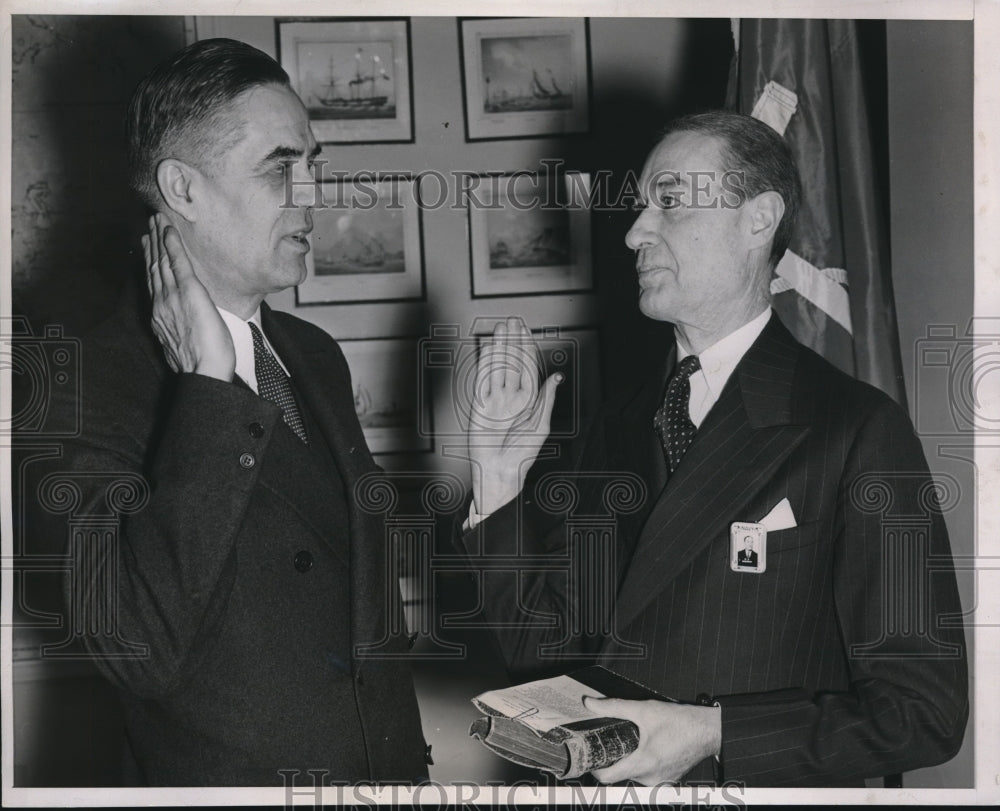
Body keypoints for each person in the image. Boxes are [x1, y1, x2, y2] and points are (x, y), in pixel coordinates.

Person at [460, 110, 968, 787]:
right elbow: (539, 657)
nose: (636, 231)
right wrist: (498, 479)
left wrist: (716, 733)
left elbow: (922, 713)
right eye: (642, 207)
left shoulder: (853, 429)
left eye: (668, 201)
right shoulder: (614, 425)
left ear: (759, 219)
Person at [35, 38, 428, 786]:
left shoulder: (311, 352)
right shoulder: (78, 381)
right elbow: (135, 649)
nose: (313, 194)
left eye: (314, 166)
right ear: (182, 189)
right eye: (282, 167)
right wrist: (207, 392)